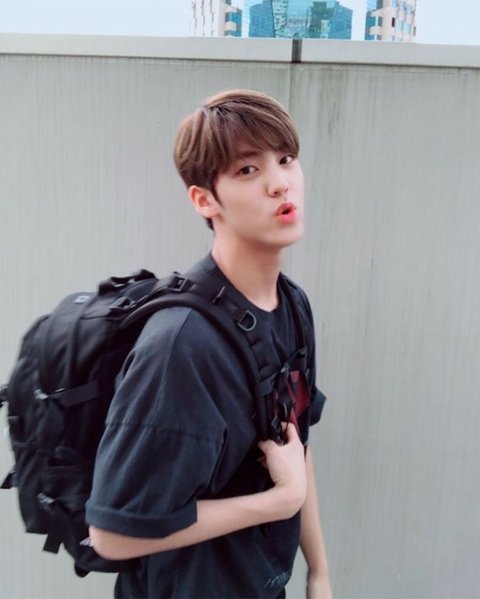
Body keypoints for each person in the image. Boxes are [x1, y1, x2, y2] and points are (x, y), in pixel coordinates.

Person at [86, 89, 332, 598]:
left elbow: (297, 444)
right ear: (204, 199)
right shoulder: (182, 345)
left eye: (286, 159)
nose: (280, 182)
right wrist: (276, 503)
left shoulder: (292, 305)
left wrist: (319, 573)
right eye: (248, 170)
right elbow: (112, 534)